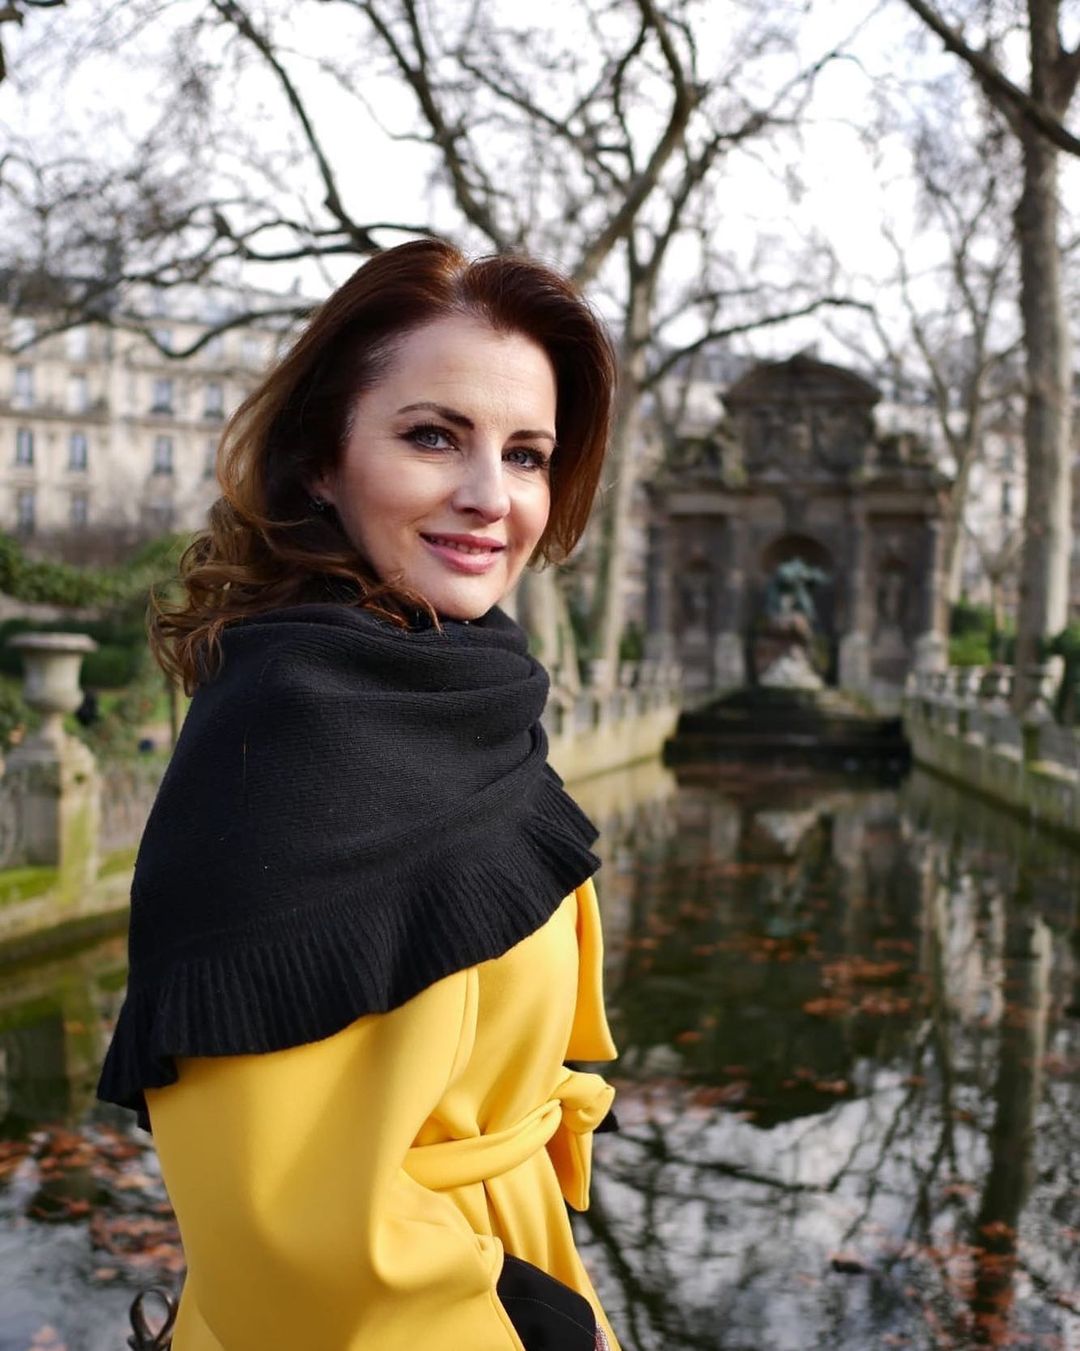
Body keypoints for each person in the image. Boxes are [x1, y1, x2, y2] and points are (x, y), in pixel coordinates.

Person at [96, 237, 621, 1351]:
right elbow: (288, 1224)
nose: (491, 497)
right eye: (433, 436)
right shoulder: (289, 742)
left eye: (527, 454)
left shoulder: (458, 682)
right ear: (320, 461)